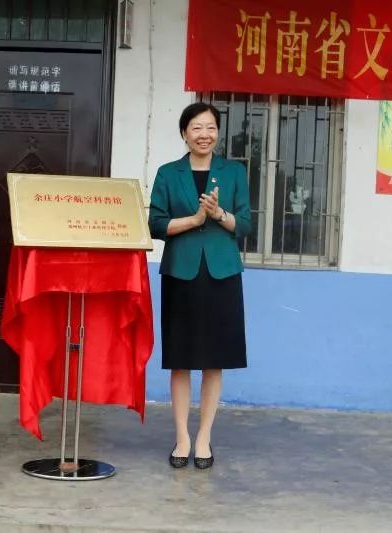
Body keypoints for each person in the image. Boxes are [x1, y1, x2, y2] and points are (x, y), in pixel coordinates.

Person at [148, 102, 251, 469]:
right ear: (184, 133)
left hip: (221, 274)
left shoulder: (233, 172)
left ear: (217, 133)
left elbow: (245, 224)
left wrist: (219, 214)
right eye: (196, 127)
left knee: (213, 361)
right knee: (180, 360)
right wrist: (194, 219)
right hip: (181, 273)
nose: (204, 134)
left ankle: (204, 437)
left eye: (210, 127)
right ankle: (182, 437)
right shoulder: (168, 173)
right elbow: (156, 224)